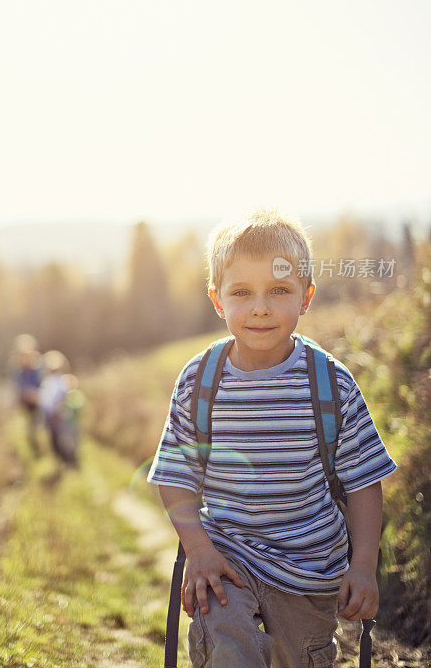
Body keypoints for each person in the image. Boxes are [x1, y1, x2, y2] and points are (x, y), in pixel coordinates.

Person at [147, 209, 397, 668]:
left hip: (308, 568)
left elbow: (364, 483)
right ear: (217, 301)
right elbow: (175, 475)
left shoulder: (330, 385)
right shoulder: (200, 381)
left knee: (297, 659)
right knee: (229, 651)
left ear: (306, 296)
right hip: (227, 560)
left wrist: (362, 566)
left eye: (279, 290)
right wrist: (200, 552)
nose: (260, 306)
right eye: (242, 292)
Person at [11, 334, 43, 455]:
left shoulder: (37, 368)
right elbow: (17, 385)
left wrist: (35, 394)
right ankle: (32, 446)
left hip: (37, 400)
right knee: (28, 424)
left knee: (36, 424)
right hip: (25, 400)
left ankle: (38, 446)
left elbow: (41, 383)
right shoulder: (17, 369)